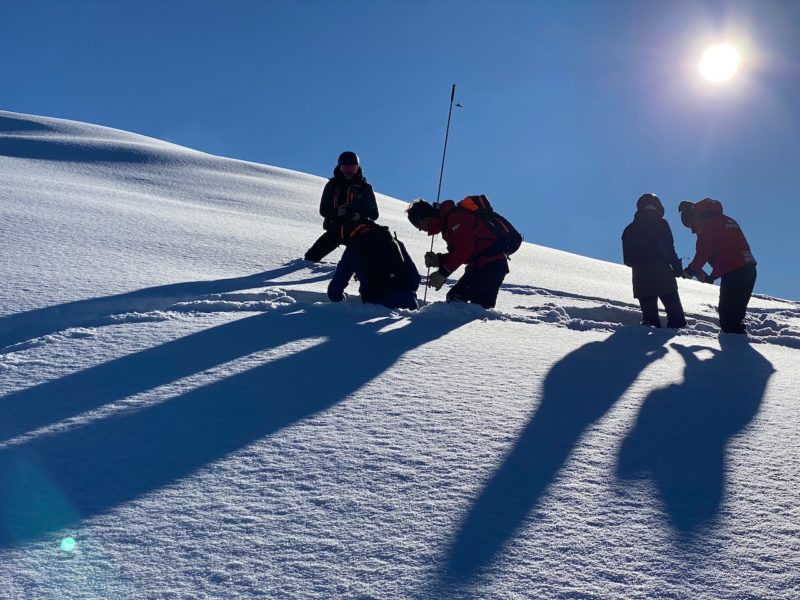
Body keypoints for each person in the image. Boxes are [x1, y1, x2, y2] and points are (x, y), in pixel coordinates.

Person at [406, 198, 510, 309]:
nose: (420, 230)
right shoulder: (448, 223)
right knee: (480, 308)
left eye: (418, 225)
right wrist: (440, 260)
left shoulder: (455, 219)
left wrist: (442, 273)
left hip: (488, 266)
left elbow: (465, 250)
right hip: (491, 265)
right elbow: (464, 253)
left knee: (456, 298)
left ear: (424, 218)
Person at [678, 198, 757, 334]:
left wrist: (690, 271)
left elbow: (704, 252)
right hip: (748, 269)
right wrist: (712, 277)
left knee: (728, 318)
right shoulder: (726, 220)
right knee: (736, 315)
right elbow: (727, 252)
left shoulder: (706, 225)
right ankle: (739, 347)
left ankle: (734, 351)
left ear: (691, 218)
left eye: (689, 224)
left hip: (734, 273)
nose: (691, 229)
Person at [622, 193, 687, 328]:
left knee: (649, 320)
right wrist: (676, 267)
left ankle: (646, 342)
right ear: (658, 208)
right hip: (662, 273)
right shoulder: (661, 223)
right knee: (676, 318)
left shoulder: (628, 229)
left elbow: (627, 260)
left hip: (640, 276)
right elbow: (668, 248)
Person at [304, 151, 379, 263]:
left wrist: (359, 215)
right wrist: (337, 213)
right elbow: (323, 210)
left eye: (352, 168)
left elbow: (374, 214)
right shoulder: (332, 185)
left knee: (365, 263)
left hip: (357, 231)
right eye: (345, 168)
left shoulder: (365, 188)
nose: (349, 172)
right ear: (339, 168)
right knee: (309, 258)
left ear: (357, 168)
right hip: (335, 229)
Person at [327, 220, 420, 310]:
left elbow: (334, 291)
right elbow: (415, 278)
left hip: (377, 308)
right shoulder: (395, 242)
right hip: (409, 305)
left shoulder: (354, 249)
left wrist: (343, 298)